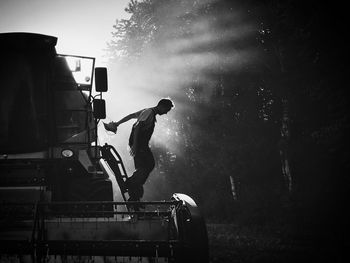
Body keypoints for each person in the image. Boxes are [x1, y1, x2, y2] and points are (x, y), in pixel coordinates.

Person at [103, 98, 174, 209]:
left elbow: (131, 115)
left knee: (142, 168)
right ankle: (130, 184)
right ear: (162, 106)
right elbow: (137, 128)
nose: (165, 113)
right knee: (149, 165)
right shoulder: (149, 113)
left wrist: (117, 123)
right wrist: (135, 146)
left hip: (140, 144)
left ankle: (134, 196)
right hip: (140, 145)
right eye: (167, 110)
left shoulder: (147, 111)